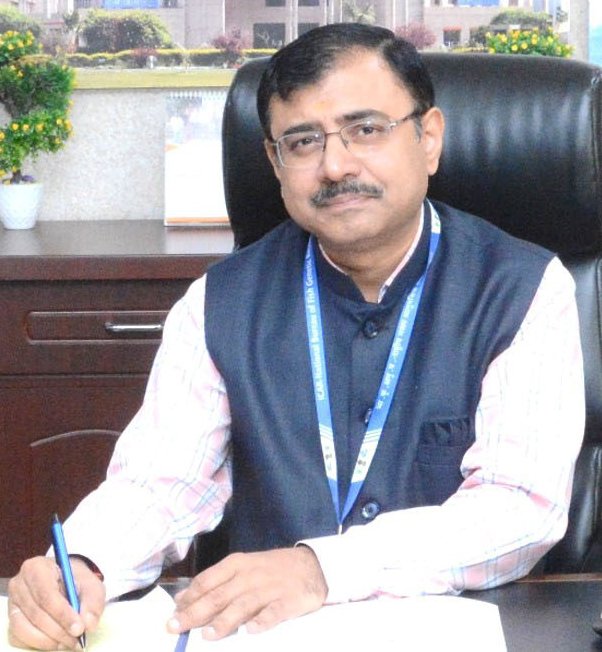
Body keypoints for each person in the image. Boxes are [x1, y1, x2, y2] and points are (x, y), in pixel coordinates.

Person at [8, 23, 584, 651]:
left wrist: (322, 568)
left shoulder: (522, 288)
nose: (336, 165)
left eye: (367, 129)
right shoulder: (219, 303)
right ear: (275, 164)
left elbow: (519, 507)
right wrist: (87, 563)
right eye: (304, 141)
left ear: (429, 139)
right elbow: (162, 483)